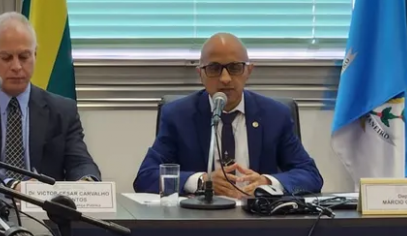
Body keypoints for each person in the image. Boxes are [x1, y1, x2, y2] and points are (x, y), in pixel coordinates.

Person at [134, 32, 323, 197]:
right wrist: (202, 181)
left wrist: (267, 183)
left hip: (258, 218)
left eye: (235, 67)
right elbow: (146, 177)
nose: (225, 79)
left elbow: (310, 175)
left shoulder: (275, 115)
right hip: (199, 219)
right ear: (200, 74)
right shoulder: (178, 116)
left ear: (248, 70)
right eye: (214, 68)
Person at [0, 12, 101, 193]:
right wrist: (12, 186)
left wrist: (86, 181)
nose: (17, 66)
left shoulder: (63, 110)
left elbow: (80, 162)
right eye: (6, 58)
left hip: (43, 207)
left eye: (24, 57)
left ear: (35, 54)